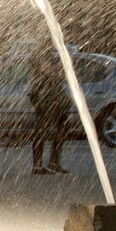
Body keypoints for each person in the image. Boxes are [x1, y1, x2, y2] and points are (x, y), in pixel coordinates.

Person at [28, 46, 70, 175]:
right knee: (41, 132)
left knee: (62, 129)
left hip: (53, 98)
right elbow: (48, 70)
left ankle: (53, 163)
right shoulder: (41, 55)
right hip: (46, 99)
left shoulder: (47, 54)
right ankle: (38, 166)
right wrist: (62, 63)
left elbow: (53, 72)